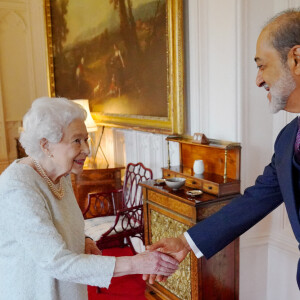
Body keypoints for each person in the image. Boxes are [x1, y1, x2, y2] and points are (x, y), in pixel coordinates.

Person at [145, 8, 300, 289]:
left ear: (296, 59)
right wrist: (185, 241)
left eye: (262, 65)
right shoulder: (288, 139)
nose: (258, 80)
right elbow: (256, 199)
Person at [0, 97, 179, 300]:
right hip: (35, 291)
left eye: (86, 139)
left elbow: (65, 224)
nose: (87, 149)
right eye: (77, 140)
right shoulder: (18, 186)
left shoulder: (61, 175)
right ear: (46, 146)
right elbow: (56, 261)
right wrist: (136, 263)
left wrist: (85, 240)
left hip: (69, 288)